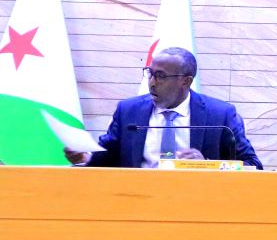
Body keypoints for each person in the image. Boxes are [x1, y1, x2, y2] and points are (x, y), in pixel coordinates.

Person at [65, 47, 262, 169]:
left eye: (160, 76)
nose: (152, 82)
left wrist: (208, 165)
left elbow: (252, 166)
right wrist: (85, 156)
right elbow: (108, 156)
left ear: (185, 81)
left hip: (196, 206)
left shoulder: (220, 116)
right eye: (150, 73)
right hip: (136, 203)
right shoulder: (129, 111)